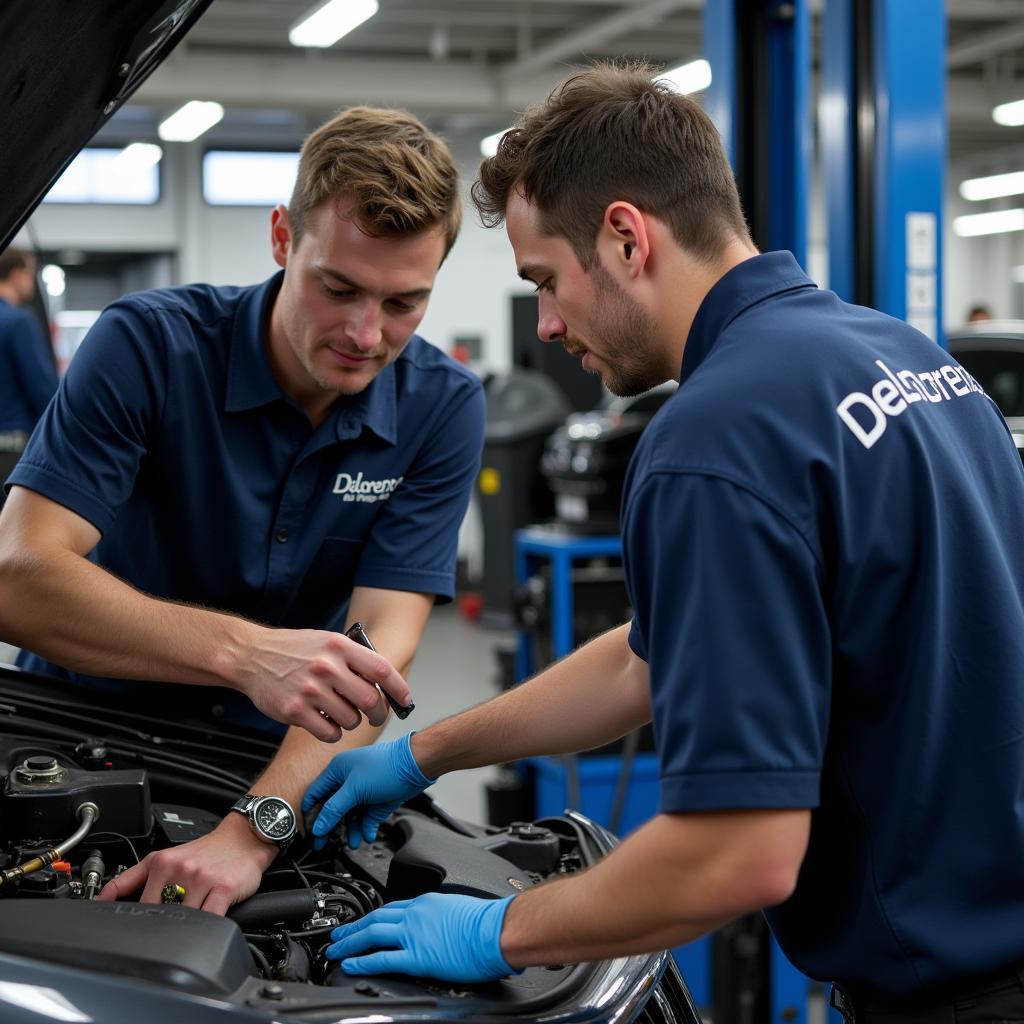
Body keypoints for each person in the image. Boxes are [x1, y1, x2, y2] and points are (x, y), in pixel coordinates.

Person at [303, 62, 1024, 1020]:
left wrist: (496, 930)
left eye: (547, 282)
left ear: (627, 236)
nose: (549, 324)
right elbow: (652, 658)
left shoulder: (713, 440)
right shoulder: (906, 355)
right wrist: (424, 753)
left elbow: (737, 855)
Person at [0, 106, 485, 915]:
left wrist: (254, 833)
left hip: (269, 766)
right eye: (339, 289)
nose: (366, 334)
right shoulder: (148, 348)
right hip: (75, 734)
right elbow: (17, 577)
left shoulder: (443, 407)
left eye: (404, 303)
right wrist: (246, 655)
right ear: (282, 240)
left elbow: (379, 654)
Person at [0, 247, 59, 437]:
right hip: (11, 444)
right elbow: (42, 389)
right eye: (30, 273)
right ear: (17, 275)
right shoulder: (19, 321)